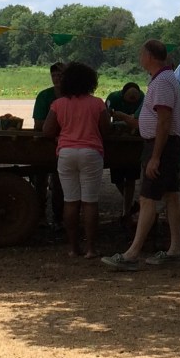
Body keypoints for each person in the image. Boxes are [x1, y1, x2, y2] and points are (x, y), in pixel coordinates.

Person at [102, 40, 180, 271]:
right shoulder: (163, 79)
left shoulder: (162, 81)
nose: (140, 57)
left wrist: (156, 156)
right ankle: (175, 249)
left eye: (141, 53)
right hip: (166, 145)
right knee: (171, 195)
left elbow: (164, 120)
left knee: (148, 198)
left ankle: (132, 254)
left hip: (161, 146)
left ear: (149, 56)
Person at [42, 62, 111, 258]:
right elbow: (106, 130)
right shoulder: (97, 103)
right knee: (90, 202)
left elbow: (47, 130)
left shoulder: (58, 104)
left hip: (66, 153)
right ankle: (90, 248)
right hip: (91, 152)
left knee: (70, 201)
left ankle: (73, 248)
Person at [33, 62, 65, 226]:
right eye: (54, 75)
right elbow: (38, 123)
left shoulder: (72, 97)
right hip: (45, 145)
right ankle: (39, 215)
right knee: (40, 180)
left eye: (60, 75)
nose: (57, 79)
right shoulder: (44, 96)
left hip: (65, 146)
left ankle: (59, 217)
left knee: (60, 184)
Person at [105, 82, 144, 221]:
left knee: (131, 176)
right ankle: (131, 204)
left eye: (135, 99)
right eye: (129, 99)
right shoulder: (113, 98)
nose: (133, 101)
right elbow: (105, 115)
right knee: (117, 177)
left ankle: (126, 211)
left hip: (134, 140)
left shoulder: (143, 98)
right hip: (117, 139)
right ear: (123, 95)